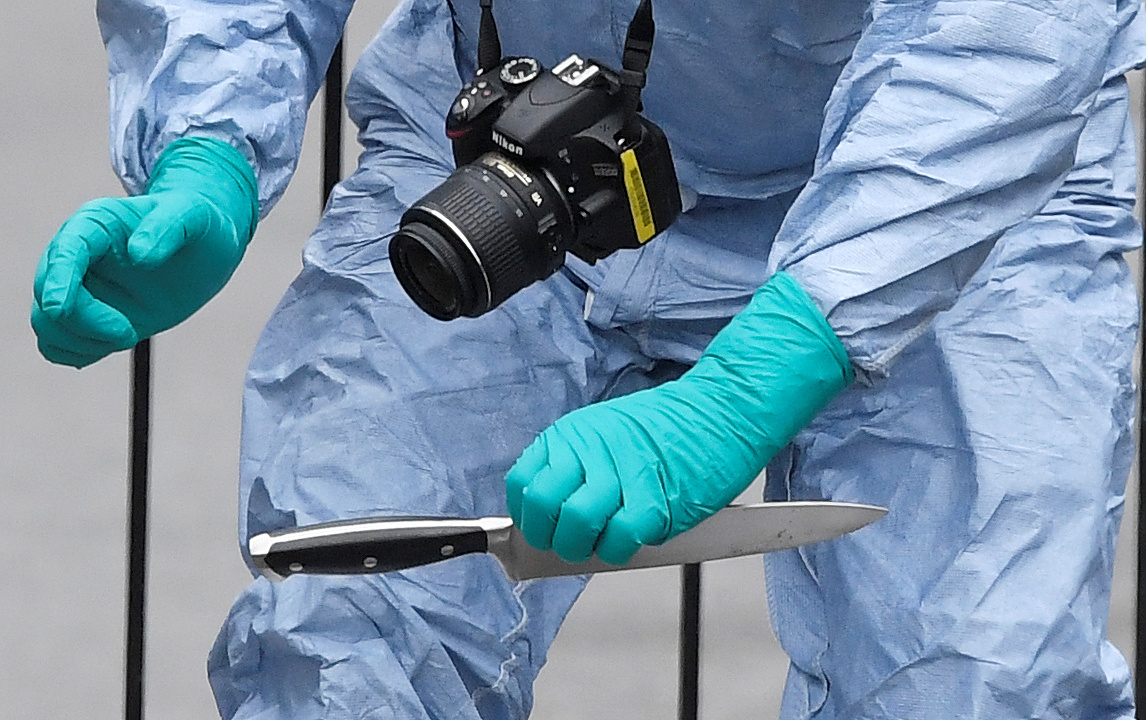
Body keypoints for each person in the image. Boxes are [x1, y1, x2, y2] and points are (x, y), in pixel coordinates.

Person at [31, 0, 1146, 717]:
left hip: (959, 185)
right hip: (517, 154)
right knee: (342, 650)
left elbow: (1009, 30)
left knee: (975, 685)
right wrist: (207, 151)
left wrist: (753, 382)